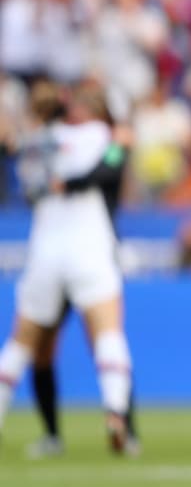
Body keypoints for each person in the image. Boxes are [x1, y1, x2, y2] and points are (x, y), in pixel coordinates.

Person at [0, 81, 135, 455]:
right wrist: (118, 139)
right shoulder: (96, 135)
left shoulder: (31, 143)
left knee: (22, 341)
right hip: (89, 245)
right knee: (108, 333)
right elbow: (111, 162)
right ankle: (115, 414)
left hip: (44, 247)